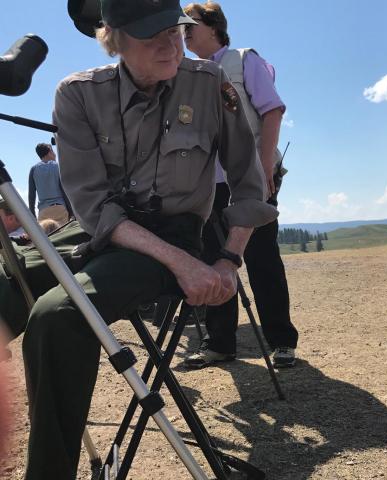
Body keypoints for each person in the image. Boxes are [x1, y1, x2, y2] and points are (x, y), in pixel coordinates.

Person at [0, 0, 276, 477]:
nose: (172, 45)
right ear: (115, 39)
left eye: (176, 31)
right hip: (94, 228)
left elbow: (250, 184)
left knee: (59, 315)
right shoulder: (78, 94)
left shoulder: (210, 84)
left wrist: (226, 260)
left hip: (174, 234)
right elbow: (89, 202)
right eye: (153, 37)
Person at [183, 1, 298, 369]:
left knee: (262, 258)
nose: (183, 32)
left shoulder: (244, 59)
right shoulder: (186, 73)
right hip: (208, 185)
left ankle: (282, 341)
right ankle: (220, 343)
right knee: (214, 258)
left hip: (251, 176)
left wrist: (264, 166)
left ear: (214, 26)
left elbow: (272, 110)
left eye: (191, 24)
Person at [28, 143, 71, 224]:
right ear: (49, 152)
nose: (54, 154)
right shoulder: (58, 166)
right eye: (53, 151)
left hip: (44, 211)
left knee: (46, 236)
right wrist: (71, 211)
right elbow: (64, 190)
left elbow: (31, 196)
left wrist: (33, 216)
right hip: (60, 208)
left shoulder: (33, 169)